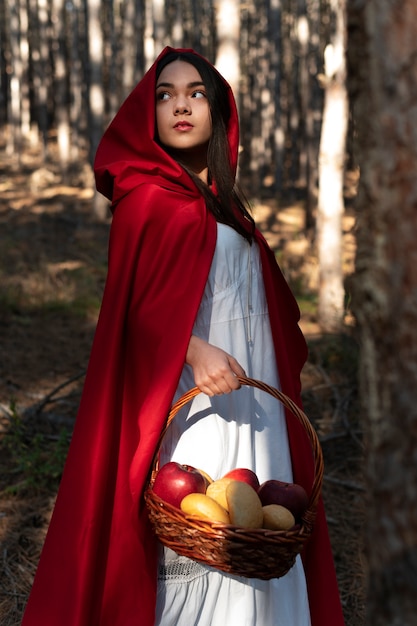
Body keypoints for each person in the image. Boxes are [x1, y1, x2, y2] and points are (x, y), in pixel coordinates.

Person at [21, 47, 345, 626]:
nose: (180, 106)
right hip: (195, 394)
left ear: (217, 111)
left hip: (258, 388)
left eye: (196, 93)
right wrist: (195, 351)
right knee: (204, 529)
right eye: (165, 95)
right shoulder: (146, 199)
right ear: (149, 114)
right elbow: (131, 310)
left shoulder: (227, 207)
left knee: (261, 524)